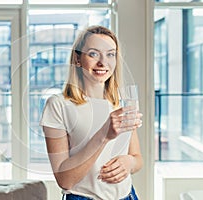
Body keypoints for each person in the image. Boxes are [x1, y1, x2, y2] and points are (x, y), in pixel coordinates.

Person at [40, 25, 143, 200]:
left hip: (127, 196)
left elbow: (137, 157)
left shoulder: (119, 102)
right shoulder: (58, 105)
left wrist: (129, 162)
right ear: (78, 59)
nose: (103, 62)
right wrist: (104, 134)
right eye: (94, 54)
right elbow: (65, 180)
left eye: (110, 54)